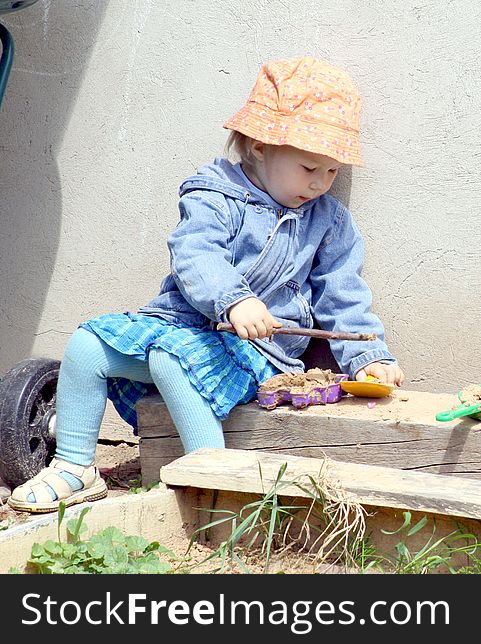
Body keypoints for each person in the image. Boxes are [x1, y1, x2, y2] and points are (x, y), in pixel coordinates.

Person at [8, 57, 404, 513]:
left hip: (258, 351)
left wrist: (369, 357)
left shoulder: (328, 221)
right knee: (85, 346)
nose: (319, 184)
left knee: (171, 358)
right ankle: (75, 464)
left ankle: (213, 479)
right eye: (309, 167)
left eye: (332, 172)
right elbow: (196, 254)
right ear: (259, 145)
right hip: (181, 322)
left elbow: (343, 293)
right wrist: (234, 300)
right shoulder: (214, 193)